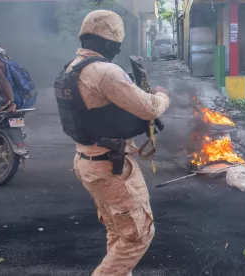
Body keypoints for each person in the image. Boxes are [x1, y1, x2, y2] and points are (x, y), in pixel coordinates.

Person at [54, 10, 170, 276]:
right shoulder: (105, 72)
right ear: (110, 43)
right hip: (110, 167)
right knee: (138, 236)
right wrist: (163, 96)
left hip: (88, 161)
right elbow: (150, 107)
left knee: (118, 232)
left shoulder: (72, 68)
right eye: (116, 45)